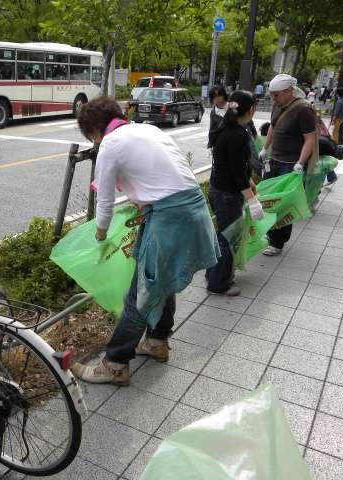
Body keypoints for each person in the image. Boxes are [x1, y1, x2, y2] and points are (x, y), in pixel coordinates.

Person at [71, 96, 219, 385]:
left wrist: (100, 235)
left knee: (141, 293)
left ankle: (115, 364)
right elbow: (164, 178)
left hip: (169, 218)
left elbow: (104, 202)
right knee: (160, 282)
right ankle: (157, 342)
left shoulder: (111, 144)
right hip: (193, 209)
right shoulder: (148, 130)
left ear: (94, 131)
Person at [206, 91, 264, 296]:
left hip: (217, 190)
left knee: (222, 234)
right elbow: (237, 172)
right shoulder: (238, 134)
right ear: (250, 110)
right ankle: (218, 283)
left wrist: (249, 181)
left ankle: (213, 274)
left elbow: (230, 165)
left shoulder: (225, 128)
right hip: (227, 194)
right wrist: (253, 200)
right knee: (228, 238)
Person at [258, 74, 317, 256]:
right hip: (274, 160)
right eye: (272, 95)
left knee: (283, 204)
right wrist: (265, 148)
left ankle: (277, 242)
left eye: (277, 95)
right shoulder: (278, 105)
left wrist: (300, 163)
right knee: (269, 199)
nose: (273, 99)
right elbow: (273, 128)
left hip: (291, 165)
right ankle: (269, 234)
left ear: (289, 91)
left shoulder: (303, 110)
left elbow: (310, 139)